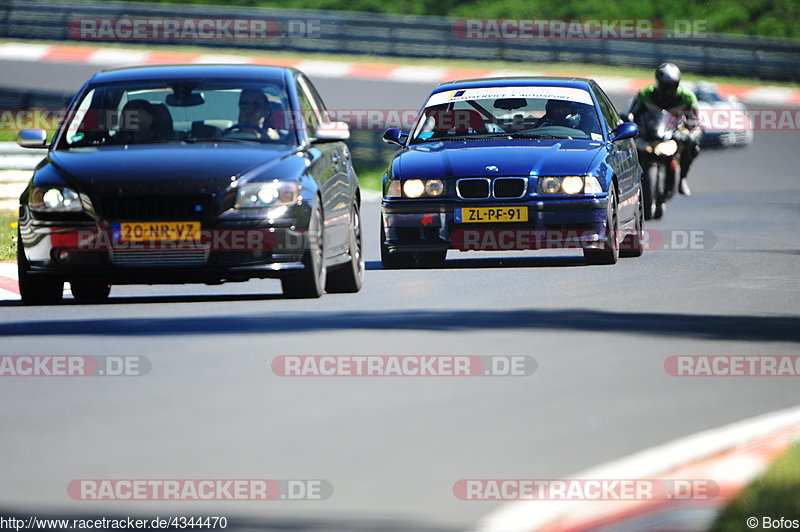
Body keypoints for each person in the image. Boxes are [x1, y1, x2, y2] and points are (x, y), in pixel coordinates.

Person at [629, 63, 702, 196]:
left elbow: (694, 122)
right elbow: (631, 115)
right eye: (665, 85)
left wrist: (687, 133)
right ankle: (631, 179)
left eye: (672, 85)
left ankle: (682, 178)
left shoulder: (688, 97)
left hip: (674, 134)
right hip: (649, 133)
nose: (668, 90)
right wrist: (634, 128)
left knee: (693, 146)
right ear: (658, 82)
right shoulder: (645, 94)